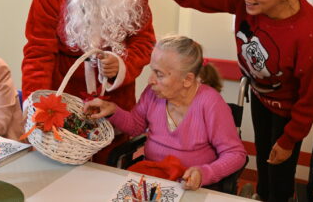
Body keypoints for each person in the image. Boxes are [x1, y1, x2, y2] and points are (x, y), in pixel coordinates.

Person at [149, 0, 313, 202]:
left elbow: (311, 97)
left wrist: (289, 139)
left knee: (281, 169)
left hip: (291, 107)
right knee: (263, 161)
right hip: (261, 95)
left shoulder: (309, 35)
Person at [22, 0, 155, 162]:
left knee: (110, 165)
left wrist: (122, 65)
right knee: (62, 166)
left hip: (117, 99)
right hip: (65, 93)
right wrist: (36, 102)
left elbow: (145, 41)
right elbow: (38, 52)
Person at [84, 35, 247, 190]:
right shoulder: (152, 93)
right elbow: (135, 126)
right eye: (152, 71)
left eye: (159, 74)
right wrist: (112, 110)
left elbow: (235, 154)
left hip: (192, 187)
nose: (150, 80)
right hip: (153, 178)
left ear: (188, 80)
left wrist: (204, 173)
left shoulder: (211, 104)